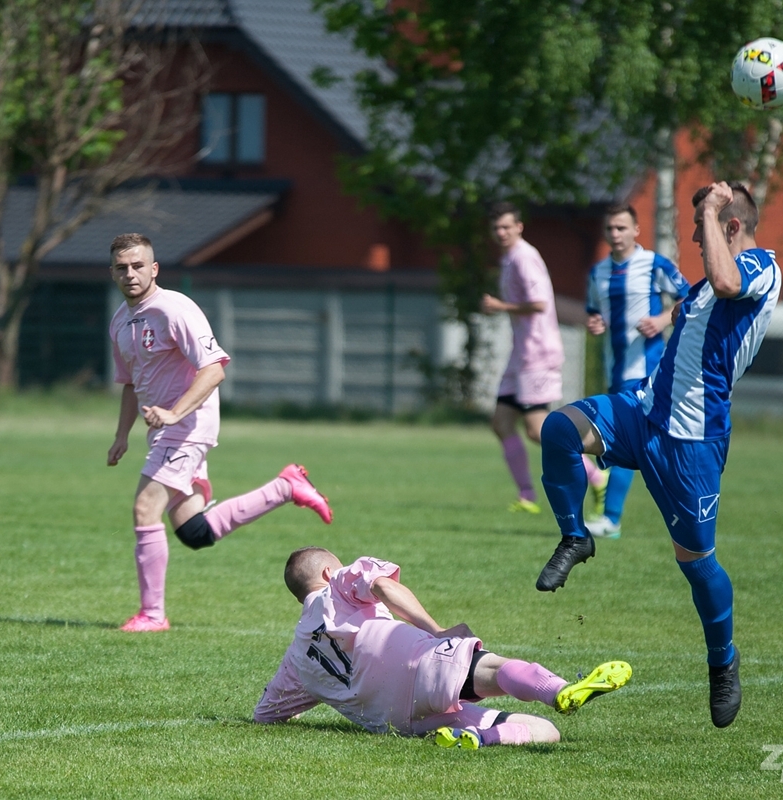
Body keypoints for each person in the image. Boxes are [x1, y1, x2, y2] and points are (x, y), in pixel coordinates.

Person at [533, 182, 781, 729]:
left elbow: (724, 279)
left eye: (704, 227)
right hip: (643, 409)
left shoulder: (762, 266)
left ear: (731, 226)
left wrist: (714, 209)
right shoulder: (703, 286)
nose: (695, 236)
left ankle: (723, 662)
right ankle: (576, 535)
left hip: (692, 440)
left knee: (695, 563)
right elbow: (694, 309)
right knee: (558, 428)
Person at [106, 233, 333, 632]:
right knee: (193, 531)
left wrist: (175, 414)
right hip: (165, 430)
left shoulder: (175, 309)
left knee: (145, 508)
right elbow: (129, 383)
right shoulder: (120, 321)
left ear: (154, 268)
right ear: (113, 273)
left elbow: (214, 369)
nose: (131, 274)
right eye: (122, 267)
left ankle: (153, 615)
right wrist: (121, 435)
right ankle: (285, 487)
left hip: (188, 425)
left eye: (138, 265)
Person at [253, 547, 632, 748]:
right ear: (326, 573)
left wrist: (295, 711)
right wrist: (438, 630)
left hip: (403, 722)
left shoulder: (296, 662)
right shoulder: (338, 583)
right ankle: (559, 689)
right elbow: (383, 585)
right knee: (495, 669)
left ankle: (476, 739)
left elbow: (266, 714)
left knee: (545, 731)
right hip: (420, 666)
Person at [482, 202, 603, 513]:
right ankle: (527, 496)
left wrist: (499, 306)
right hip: (520, 353)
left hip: (538, 351)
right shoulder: (509, 258)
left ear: (520, 227)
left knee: (538, 430)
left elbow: (538, 304)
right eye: (497, 228)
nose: (501, 232)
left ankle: (595, 475)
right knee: (501, 422)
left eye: (507, 226)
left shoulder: (524, 257)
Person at [583, 203, 690, 539]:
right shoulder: (597, 272)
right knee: (651, 446)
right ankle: (684, 509)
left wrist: (661, 320)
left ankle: (611, 518)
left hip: (647, 370)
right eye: (610, 229)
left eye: (622, 228)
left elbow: (690, 300)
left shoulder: (654, 264)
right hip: (615, 370)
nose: (615, 234)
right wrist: (595, 323)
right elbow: (593, 312)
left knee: (620, 440)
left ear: (636, 230)